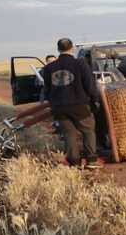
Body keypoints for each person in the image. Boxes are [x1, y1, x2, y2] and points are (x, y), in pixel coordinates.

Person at [42, 37, 102, 169]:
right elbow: (90, 85)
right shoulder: (80, 64)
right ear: (72, 48)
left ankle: (74, 162)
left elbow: (46, 89)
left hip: (59, 108)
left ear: (58, 49)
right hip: (79, 105)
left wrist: (53, 103)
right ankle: (91, 160)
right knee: (88, 130)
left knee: (69, 134)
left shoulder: (49, 68)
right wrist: (95, 99)